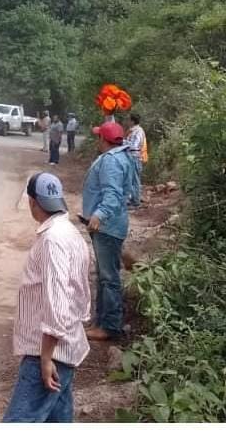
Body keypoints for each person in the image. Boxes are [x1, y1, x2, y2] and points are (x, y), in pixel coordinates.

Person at [3, 172, 91, 423]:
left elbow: (58, 301)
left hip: (49, 352)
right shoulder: (71, 234)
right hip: (66, 346)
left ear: (32, 202)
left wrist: (45, 357)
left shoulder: (52, 240)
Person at [81, 121, 134, 342]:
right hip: (113, 225)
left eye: (98, 137)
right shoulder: (124, 157)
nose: (97, 140)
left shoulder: (111, 161)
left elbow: (112, 194)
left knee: (108, 277)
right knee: (104, 276)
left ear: (104, 140)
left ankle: (109, 326)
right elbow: (132, 190)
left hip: (107, 227)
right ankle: (101, 321)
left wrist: (98, 215)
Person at [123, 114, 147, 208]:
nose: (127, 121)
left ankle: (136, 202)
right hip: (131, 156)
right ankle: (133, 199)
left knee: (135, 180)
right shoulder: (133, 131)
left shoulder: (138, 131)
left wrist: (123, 142)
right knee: (131, 179)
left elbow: (135, 145)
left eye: (128, 120)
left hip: (135, 156)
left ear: (133, 121)